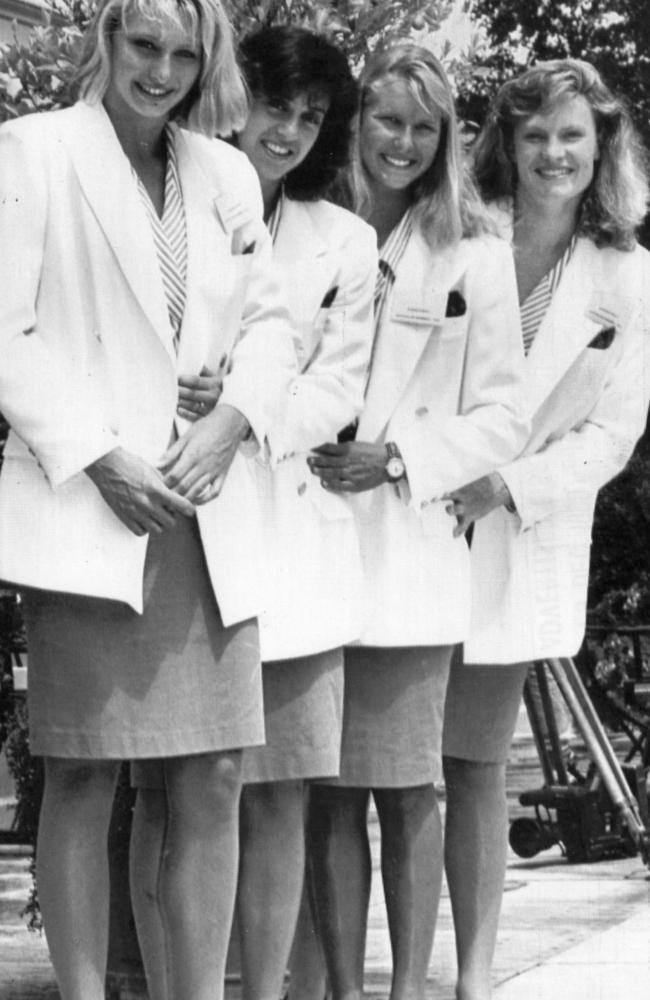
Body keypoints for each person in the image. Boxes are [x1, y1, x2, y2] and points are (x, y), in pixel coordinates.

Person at [0, 0, 297, 996]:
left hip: (207, 507)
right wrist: (98, 458)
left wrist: (234, 419)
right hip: (91, 505)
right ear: (108, 40)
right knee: (83, 773)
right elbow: (6, 330)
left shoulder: (221, 171)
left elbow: (270, 325)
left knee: (212, 773)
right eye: (143, 46)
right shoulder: (32, 152)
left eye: (183, 52)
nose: (161, 71)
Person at [128, 24, 377, 1000]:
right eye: (276, 105)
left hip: (291, 542)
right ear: (236, 95)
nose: (288, 131)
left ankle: (264, 990)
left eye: (311, 118)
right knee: (169, 787)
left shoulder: (345, 242)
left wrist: (240, 410)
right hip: (181, 522)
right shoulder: (171, 197)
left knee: (276, 796)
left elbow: (335, 388)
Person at [306, 42, 528, 1000]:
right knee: (325, 791)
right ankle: (342, 990)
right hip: (305, 543)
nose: (401, 142)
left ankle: (408, 989)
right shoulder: (311, 227)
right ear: (356, 124)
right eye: (386, 120)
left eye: (423, 126)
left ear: (446, 141)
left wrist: (398, 460)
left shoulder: (474, 253)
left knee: (407, 787)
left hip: (405, 548)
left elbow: (505, 416)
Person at [441, 59, 650, 1000]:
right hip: (419, 519)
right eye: (534, 136)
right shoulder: (459, 236)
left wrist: (511, 487)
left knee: (476, 767)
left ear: (602, 143)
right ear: (505, 144)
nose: (553, 153)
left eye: (572, 135)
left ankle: (474, 979)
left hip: (521, 532)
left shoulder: (630, 274)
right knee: (391, 767)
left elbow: (614, 432)